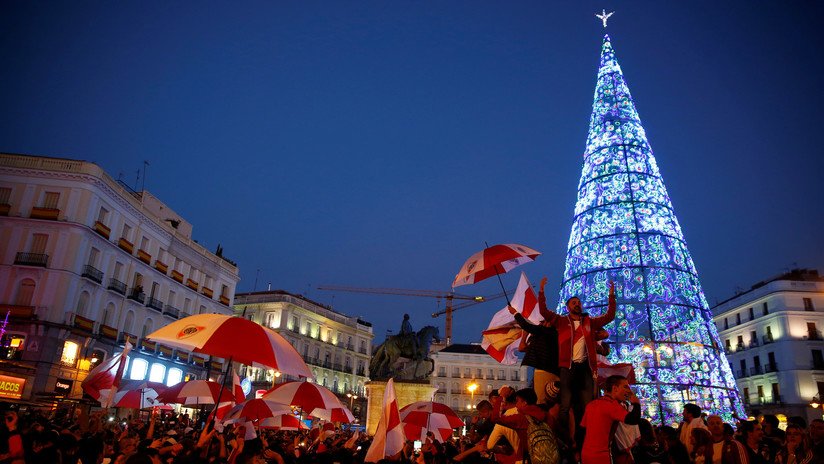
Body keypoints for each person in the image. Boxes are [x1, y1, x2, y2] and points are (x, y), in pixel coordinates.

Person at [538, 276, 617, 444]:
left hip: (586, 368)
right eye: (573, 302)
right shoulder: (560, 321)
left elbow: (610, 316)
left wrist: (611, 295)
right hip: (568, 367)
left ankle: (585, 438)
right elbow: (544, 312)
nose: (577, 304)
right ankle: (563, 439)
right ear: (568, 307)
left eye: (578, 302)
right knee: (565, 406)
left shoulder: (589, 322)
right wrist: (542, 291)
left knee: (587, 404)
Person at [506, 300, 559, 405]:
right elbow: (522, 348)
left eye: (543, 321)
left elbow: (527, 326)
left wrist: (515, 313)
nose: (541, 323)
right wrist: (525, 335)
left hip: (545, 370)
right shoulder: (541, 336)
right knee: (548, 400)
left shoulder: (549, 332)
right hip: (548, 370)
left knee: (542, 400)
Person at [579, 375, 640, 464]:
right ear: (615, 388)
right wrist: (636, 403)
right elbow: (633, 420)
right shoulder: (612, 405)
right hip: (600, 457)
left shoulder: (591, 404)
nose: (629, 391)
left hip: (585, 454)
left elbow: (582, 430)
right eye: (625, 387)